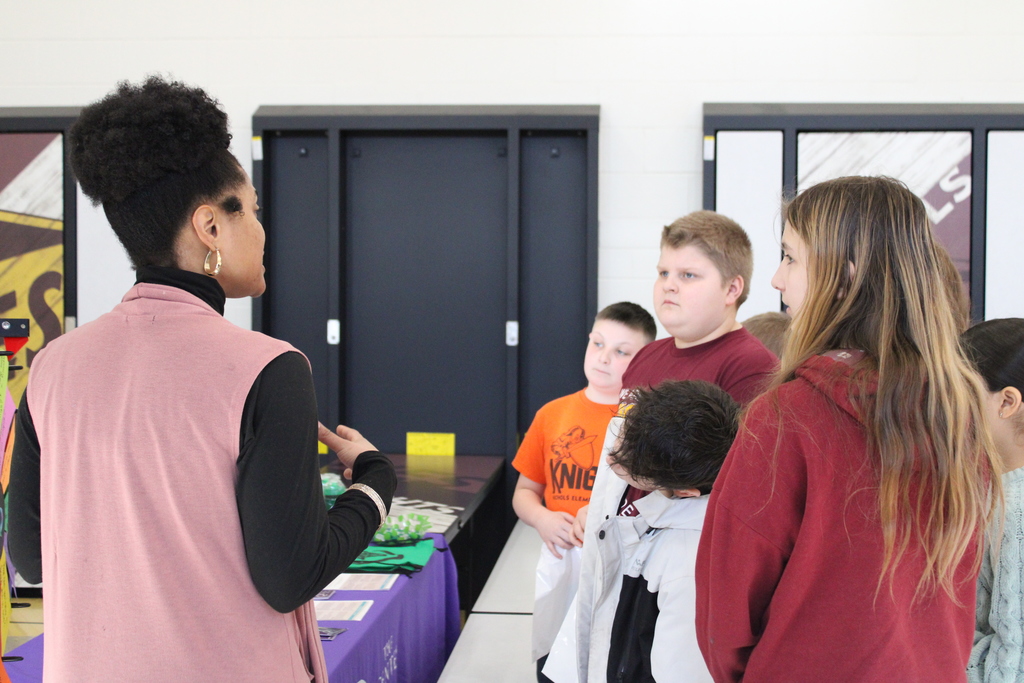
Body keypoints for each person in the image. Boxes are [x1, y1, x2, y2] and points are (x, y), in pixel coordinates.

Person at [8, 77, 396, 682]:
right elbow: (289, 575)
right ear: (210, 227)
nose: (264, 232)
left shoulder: (53, 365)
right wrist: (374, 483)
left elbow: (31, 554)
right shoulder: (269, 368)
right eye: (255, 212)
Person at [695, 176, 999, 682]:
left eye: (790, 257)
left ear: (844, 276)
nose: (775, 278)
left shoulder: (787, 416)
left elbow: (725, 612)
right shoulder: (958, 415)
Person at [544, 211, 777, 683]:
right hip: (617, 544)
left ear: (732, 289)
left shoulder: (750, 366)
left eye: (688, 275)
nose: (669, 286)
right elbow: (622, 454)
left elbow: (722, 482)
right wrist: (598, 506)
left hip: (679, 564)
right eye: (663, 273)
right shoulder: (649, 355)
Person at [512, 301, 655, 680]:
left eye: (622, 352)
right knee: (553, 660)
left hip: (618, 567)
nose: (604, 358)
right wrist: (542, 518)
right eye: (597, 343)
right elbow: (525, 491)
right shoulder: (552, 414)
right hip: (562, 564)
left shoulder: (644, 423)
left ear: (643, 359)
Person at [597, 380, 738, 683]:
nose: (610, 457)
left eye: (626, 467)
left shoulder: (689, 569)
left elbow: (680, 673)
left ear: (686, 491)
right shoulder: (681, 504)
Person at [963, 319, 1024, 682]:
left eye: (962, 393)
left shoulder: (1013, 511)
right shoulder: (992, 490)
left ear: (1007, 402)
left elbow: (1011, 662)